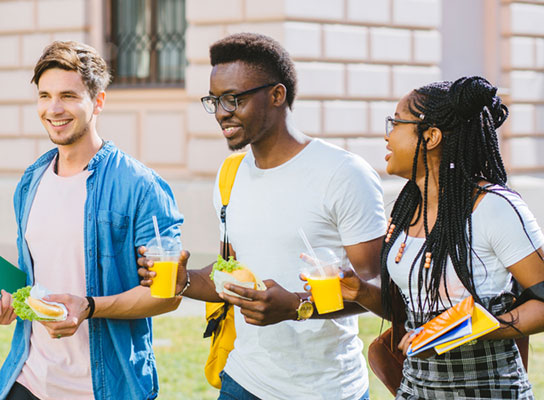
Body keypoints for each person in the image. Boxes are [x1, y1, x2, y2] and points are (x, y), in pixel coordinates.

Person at [138, 33, 386, 399]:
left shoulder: (343, 174)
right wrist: (184, 280)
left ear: (277, 95)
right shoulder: (231, 173)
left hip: (326, 390)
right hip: (243, 381)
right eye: (215, 100)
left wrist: (297, 307)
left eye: (234, 99)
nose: (222, 112)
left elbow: (377, 290)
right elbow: (230, 272)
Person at [0, 41, 184, 400]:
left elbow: (166, 295)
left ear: (98, 102)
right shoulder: (30, 182)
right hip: (30, 378)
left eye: (68, 96)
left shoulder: (141, 187)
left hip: (105, 387)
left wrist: (89, 307)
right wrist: (10, 302)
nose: (53, 109)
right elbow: (40, 278)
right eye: (44, 96)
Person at [338, 76, 544, 398]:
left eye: (395, 122)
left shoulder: (495, 208)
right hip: (414, 390)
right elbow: (411, 316)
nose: (386, 135)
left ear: (431, 136)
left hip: (488, 391)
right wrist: (362, 292)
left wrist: (473, 330)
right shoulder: (407, 210)